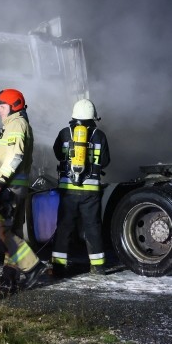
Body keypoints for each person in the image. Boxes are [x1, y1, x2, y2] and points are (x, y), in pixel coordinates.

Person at [0, 88, 48, 296]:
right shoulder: (16, 124)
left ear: (14, 107)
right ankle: (9, 277)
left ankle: (33, 267)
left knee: (1, 232)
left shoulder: (16, 124)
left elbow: (15, 157)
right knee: (12, 233)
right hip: (14, 187)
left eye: (1, 107)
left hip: (9, 188)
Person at [50, 98, 111, 278]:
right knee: (93, 228)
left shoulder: (64, 133)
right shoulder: (100, 135)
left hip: (69, 190)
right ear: (93, 116)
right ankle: (98, 267)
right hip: (91, 192)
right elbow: (106, 161)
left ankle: (59, 267)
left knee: (64, 227)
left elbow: (57, 154)